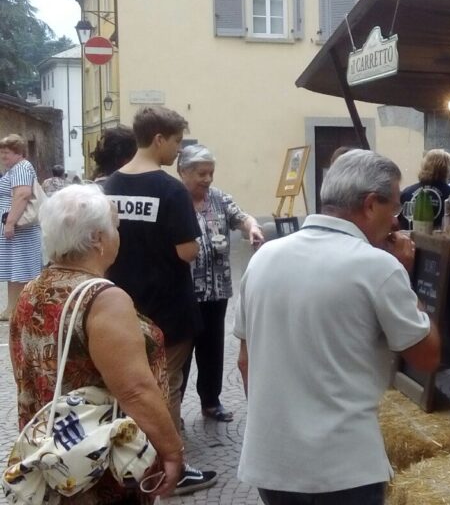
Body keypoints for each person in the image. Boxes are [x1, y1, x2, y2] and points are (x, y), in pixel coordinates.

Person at [234, 150, 440, 505]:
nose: (396, 221)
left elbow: (244, 361)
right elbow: (427, 356)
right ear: (370, 204)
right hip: (344, 469)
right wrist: (405, 277)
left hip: (271, 463)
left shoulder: (263, 257)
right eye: (394, 208)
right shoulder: (379, 267)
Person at [9, 184, 183, 502]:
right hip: (99, 461)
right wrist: (172, 451)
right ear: (97, 239)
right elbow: (134, 390)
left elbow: (25, 370)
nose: (119, 234)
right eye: (115, 227)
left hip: (53, 456)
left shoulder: (32, 289)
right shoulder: (104, 299)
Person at [102, 106, 217, 495]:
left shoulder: (110, 185)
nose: (178, 150)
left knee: (129, 385)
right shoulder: (171, 190)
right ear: (159, 139)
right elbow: (187, 251)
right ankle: (171, 469)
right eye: (177, 141)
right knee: (165, 385)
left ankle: (131, 459)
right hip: (168, 308)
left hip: (121, 306)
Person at [176, 144, 264, 423]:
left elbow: (241, 217)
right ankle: (173, 405)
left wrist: (252, 227)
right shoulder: (174, 200)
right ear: (183, 172)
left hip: (217, 289)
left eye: (210, 173)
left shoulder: (219, 199)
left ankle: (211, 402)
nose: (207, 179)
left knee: (212, 349)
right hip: (183, 292)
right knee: (181, 352)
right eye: (201, 173)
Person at [0, 134, 43, 322]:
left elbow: (22, 195)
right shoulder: (15, 169)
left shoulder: (21, 168)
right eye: (2, 152)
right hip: (17, 230)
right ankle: (12, 308)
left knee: (21, 269)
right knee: (15, 269)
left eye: (7, 152)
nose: (3, 156)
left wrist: (10, 223)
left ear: (18, 153)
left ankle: (21, 309)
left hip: (20, 230)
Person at [398, 149, 450, 229]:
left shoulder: (407, 192)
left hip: (409, 236)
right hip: (441, 237)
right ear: (446, 169)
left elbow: (399, 224)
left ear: (424, 166)